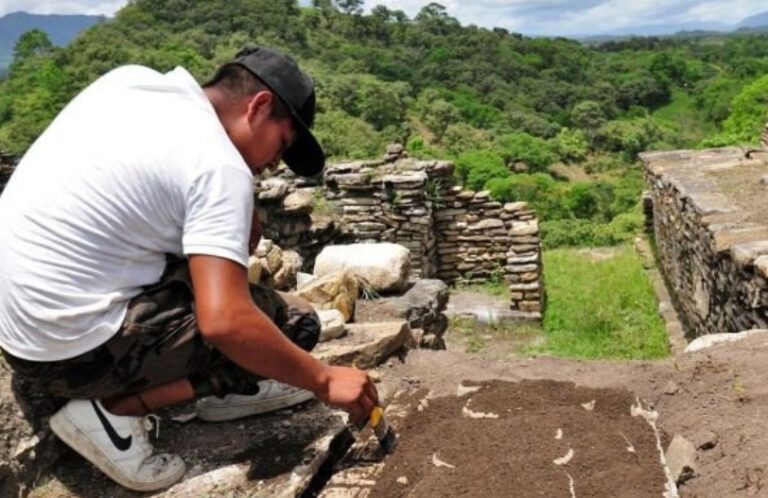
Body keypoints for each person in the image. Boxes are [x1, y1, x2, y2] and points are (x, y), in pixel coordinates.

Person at [0, 46, 379, 491]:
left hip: (22, 330)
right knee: (292, 323)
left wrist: (243, 207)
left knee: (252, 314)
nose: (276, 164)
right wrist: (323, 379)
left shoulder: (131, 82)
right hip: (71, 355)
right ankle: (115, 410)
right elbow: (225, 322)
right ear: (258, 107)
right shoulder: (217, 165)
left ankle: (220, 392)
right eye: (283, 144)